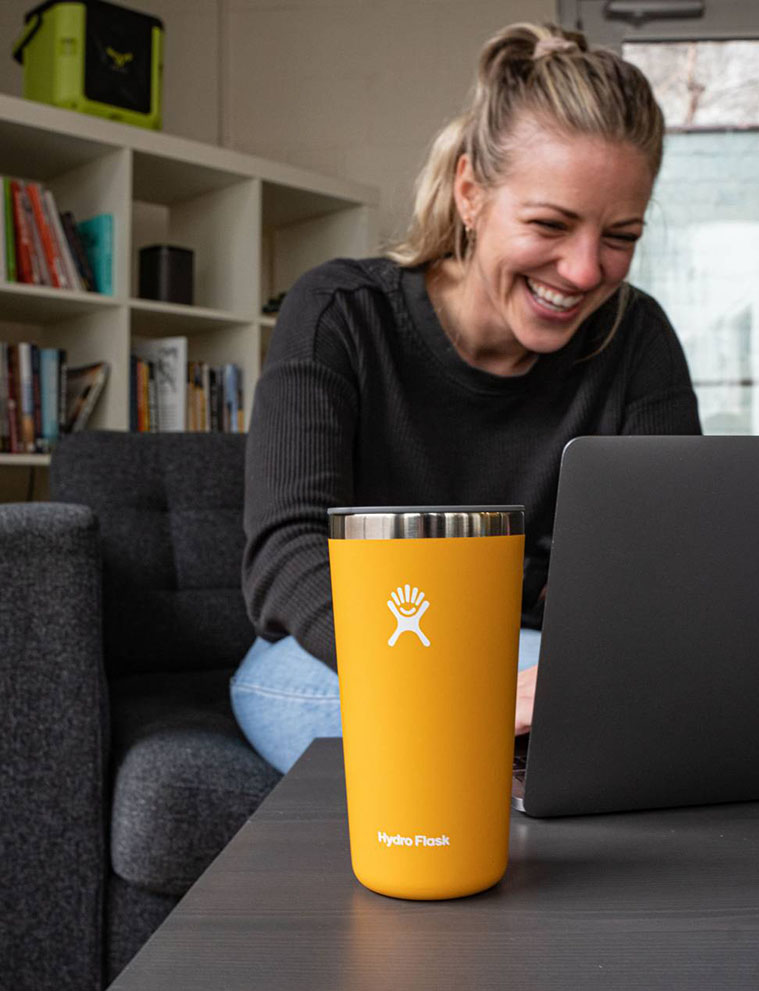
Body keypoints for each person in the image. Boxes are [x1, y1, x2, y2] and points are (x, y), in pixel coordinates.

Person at [233, 22, 702, 773]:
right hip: (351, 647)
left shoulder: (636, 335)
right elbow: (288, 552)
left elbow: (668, 563)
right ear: (470, 193)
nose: (585, 271)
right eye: (550, 224)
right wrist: (467, 681)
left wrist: (584, 667)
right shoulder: (339, 313)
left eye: (622, 234)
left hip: (549, 655)